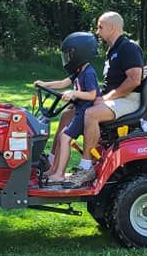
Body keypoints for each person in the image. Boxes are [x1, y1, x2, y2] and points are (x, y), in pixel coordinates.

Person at [65, 12, 144, 188]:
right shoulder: (113, 50)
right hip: (116, 98)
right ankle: (53, 162)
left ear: (113, 28)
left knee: (91, 114)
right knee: (69, 112)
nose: (97, 31)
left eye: (101, 27)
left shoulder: (128, 48)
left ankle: (86, 167)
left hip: (129, 100)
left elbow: (134, 80)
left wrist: (106, 98)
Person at [33, 32, 100, 185]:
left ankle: (60, 174)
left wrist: (73, 93)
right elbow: (63, 83)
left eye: (70, 55)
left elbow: (92, 95)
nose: (68, 59)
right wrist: (45, 84)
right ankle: (54, 170)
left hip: (84, 113)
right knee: (62, 138)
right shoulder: (79, 71)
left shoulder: (88, 73)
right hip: (78, 111)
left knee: (64, 138)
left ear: (80, 53)